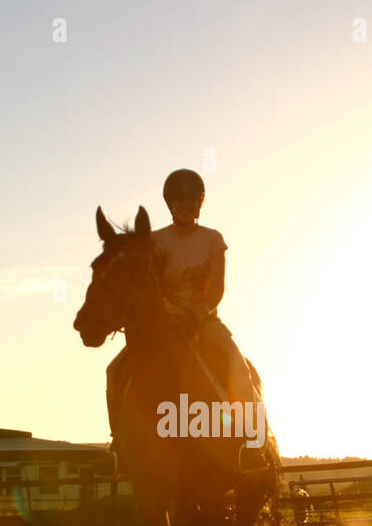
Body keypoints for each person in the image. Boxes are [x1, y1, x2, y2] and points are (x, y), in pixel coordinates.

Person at [106, 168, 262, 467]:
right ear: (170, 205)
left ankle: (252, 446)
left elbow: (217, 289)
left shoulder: (213, 239)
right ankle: (120, 446)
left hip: (203, 322)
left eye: (191, 201)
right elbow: (148, 284)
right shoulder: (155, 240)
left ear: (199, 204)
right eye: (179, 201)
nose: (185, 206)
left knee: (238, 370)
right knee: (115, 371)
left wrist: (199, 312)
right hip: (164, 323)